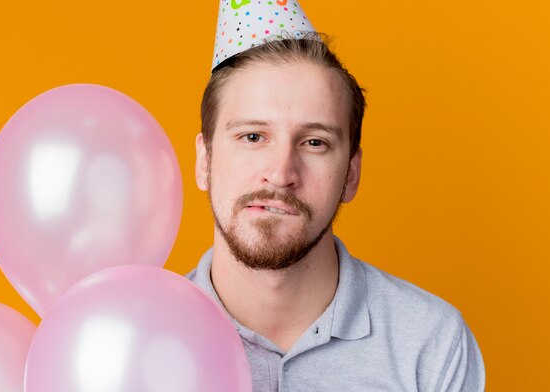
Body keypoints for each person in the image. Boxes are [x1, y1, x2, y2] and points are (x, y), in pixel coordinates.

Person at [187, 35, 485, 391]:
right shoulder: (131, 334)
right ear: (204, 161)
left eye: (315, 142)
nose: (281, 174)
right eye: (253, 137)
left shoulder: (432, 343)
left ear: (351, 174)